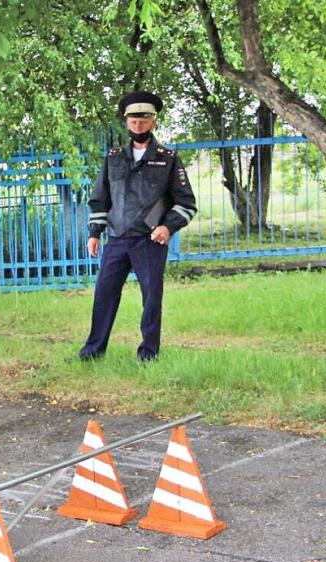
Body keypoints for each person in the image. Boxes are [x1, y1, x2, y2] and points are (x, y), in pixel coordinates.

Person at [79, 91, 197, 363]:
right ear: (126, 121)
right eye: (133, 117)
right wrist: (95, 234)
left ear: (153, 120)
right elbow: (100, 198)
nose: (138, 122)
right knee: (104, 295)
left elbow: (186, 203)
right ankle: (92, 351)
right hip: (117, 239)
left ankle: (148, 353)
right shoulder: (113, 158)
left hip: (149, 241)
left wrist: (167, 227)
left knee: (151, 299)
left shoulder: (168, 158)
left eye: (144, 117)